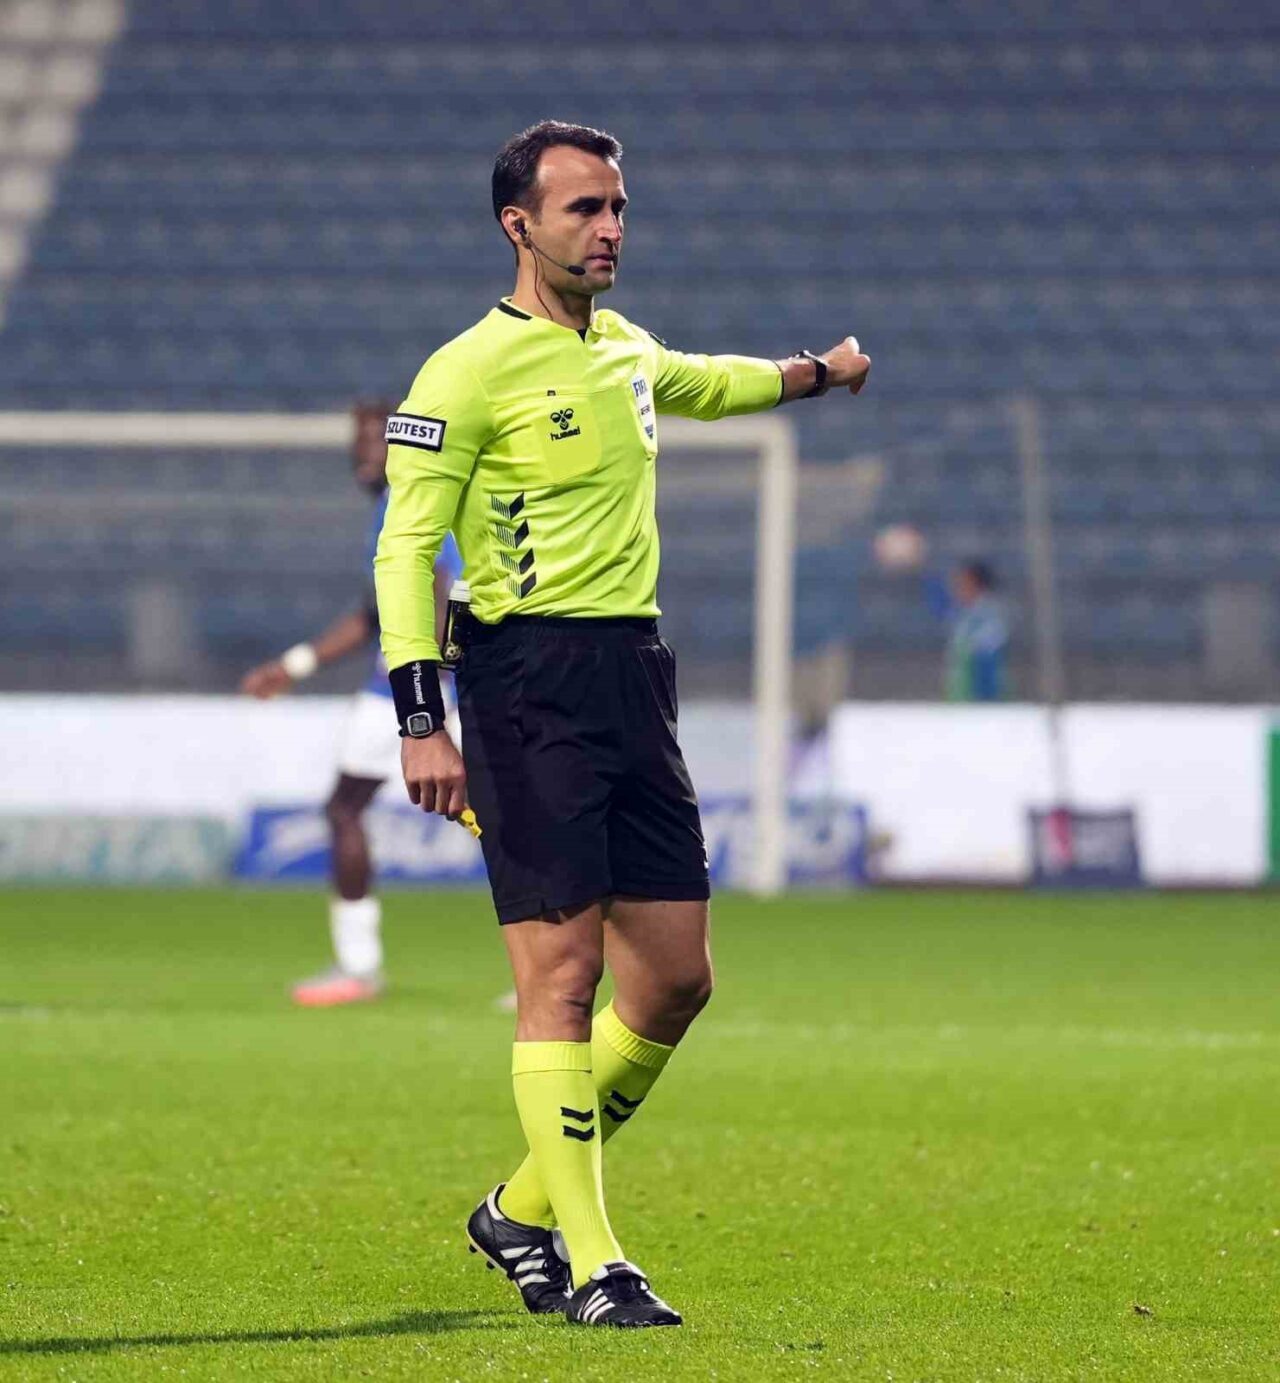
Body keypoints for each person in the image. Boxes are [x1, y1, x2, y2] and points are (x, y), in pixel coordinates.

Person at [374, 120, 871, 1328]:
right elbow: (402, 548)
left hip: (633, 678)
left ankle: (517, 1210)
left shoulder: (625, 349)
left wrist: (816, 372)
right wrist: (420, 718)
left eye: (617, 208)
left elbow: (708, 381)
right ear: (519, 226)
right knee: (562, 977)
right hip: (521, 682)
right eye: (583, 210)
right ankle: (598, 1265)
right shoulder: (462, 373)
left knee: (675, 982)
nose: (608, 230)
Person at [240, 400, 462, 1006]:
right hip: (405, 681)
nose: (364, 450)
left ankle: (558, 966)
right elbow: (374, 613)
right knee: (348, 808)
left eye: (377, 439)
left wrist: (426, 679)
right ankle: (359, 966)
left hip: (421, 685)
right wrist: (295, 665)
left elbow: (441, 584)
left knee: (505, 821)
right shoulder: (392, 504)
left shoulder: (411, 501)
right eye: (358, 439)